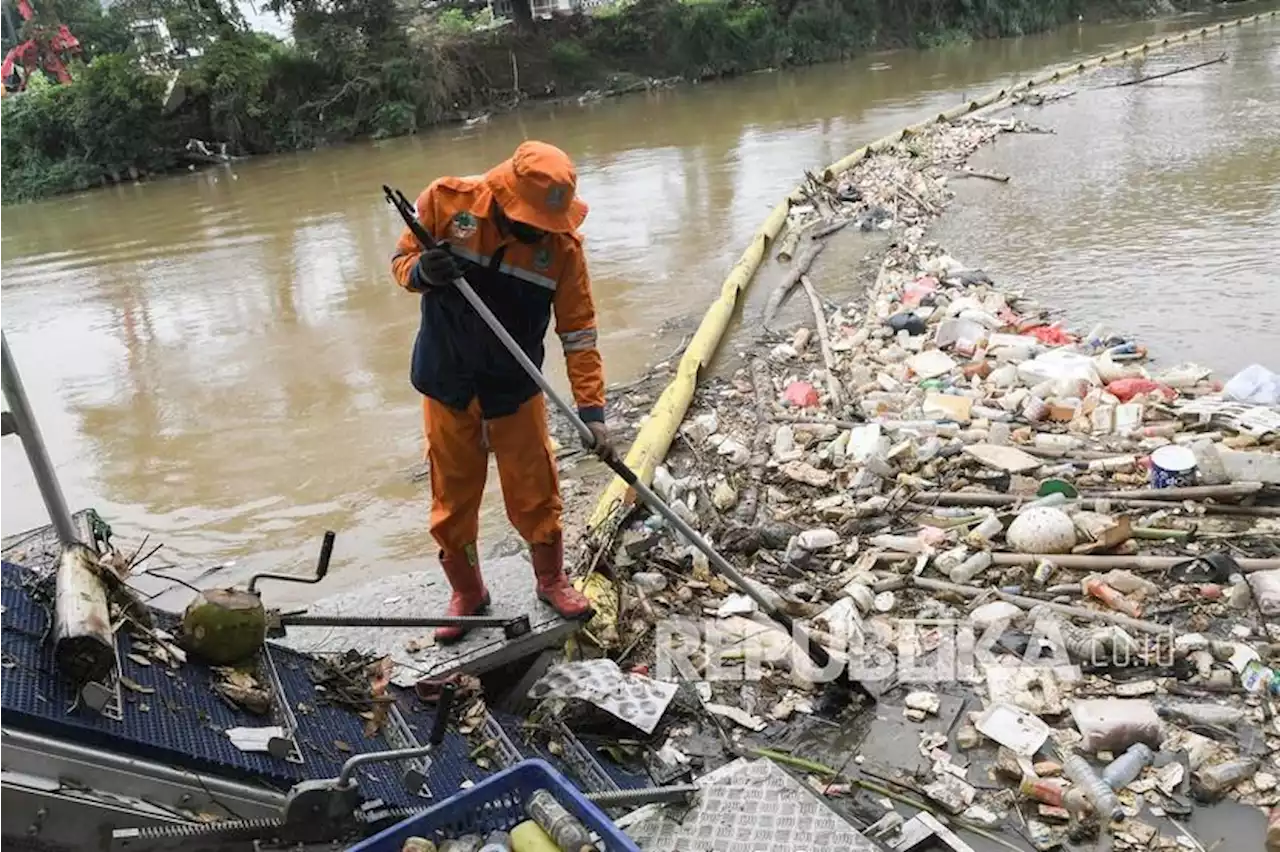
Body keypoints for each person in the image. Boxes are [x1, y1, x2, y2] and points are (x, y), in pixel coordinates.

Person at [391, 140, 614, 644]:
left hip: (516, 388)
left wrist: (592, 411)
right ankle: (467, 592)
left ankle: (551, 579)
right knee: (452, 500)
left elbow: (578, 333)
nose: (539, 230)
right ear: (506, 195)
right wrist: (425, 272)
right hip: (448, 383)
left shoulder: (562, 251)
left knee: (536, 492)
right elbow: (402, 263)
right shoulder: (446, 204)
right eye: (531, 219)